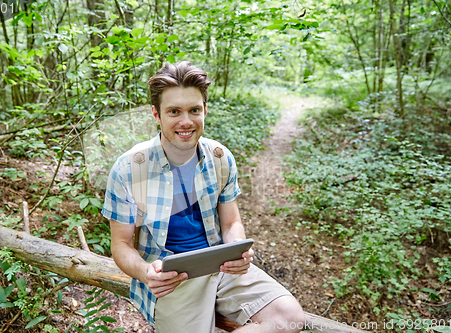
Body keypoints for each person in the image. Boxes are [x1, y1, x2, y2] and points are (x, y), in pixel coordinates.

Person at [102, 61, 305, 333]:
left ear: (205, 111)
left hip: (220, 265)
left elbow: (231, 223)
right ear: (156, 114)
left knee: (288, 317)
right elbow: (121, 245)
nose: (186, 121)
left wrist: (237, 251)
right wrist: (146, 273)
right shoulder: (129, 169)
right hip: (172, 276)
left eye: (194, 110)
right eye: (174, 111)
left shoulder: (220, 158)